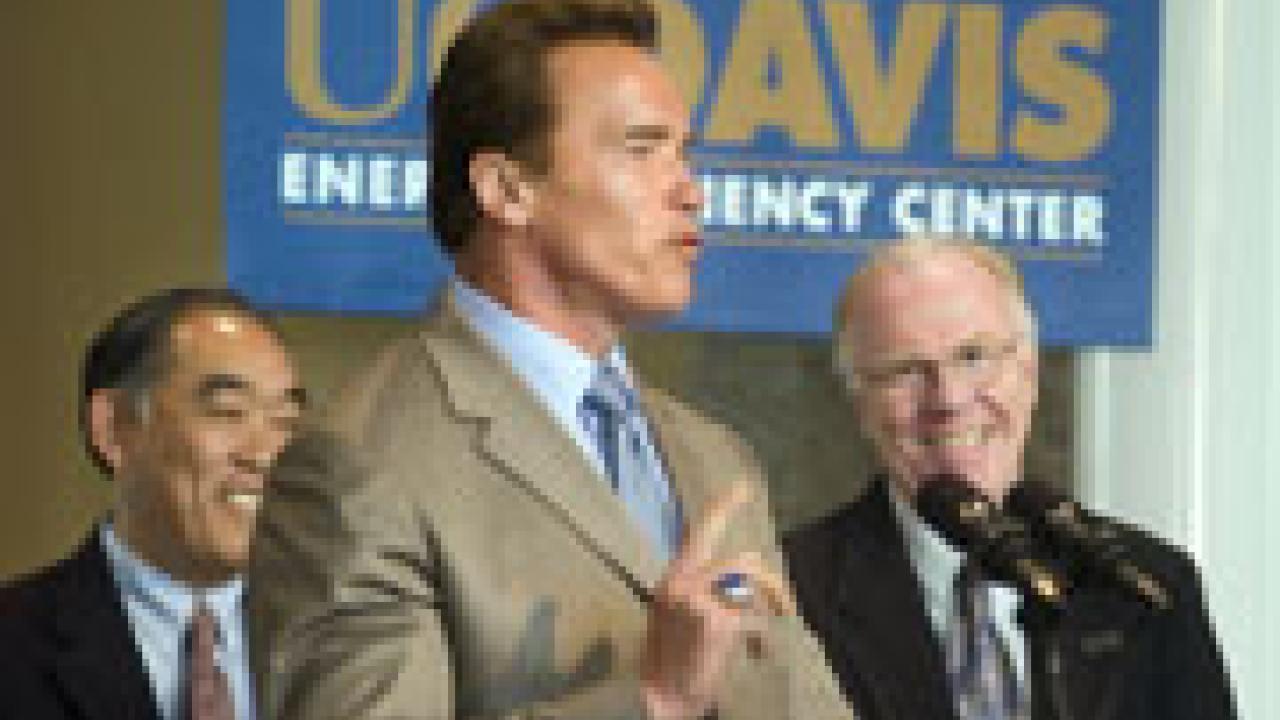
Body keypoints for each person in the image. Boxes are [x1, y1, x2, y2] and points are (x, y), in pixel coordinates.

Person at [245, 1, 852, 718]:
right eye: (641, 149)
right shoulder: (362, 465)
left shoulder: (716, 459)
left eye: (683, 153)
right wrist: (652, 699)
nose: (690, 191)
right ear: (506, 190)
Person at [784, 237, 1236, 720]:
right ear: (860, 404)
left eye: (973, 356)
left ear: (1029, 373)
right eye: (906, 370)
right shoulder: (790, 596)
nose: (949, 399)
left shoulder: (1145, 588)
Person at [0, 288, 305, 720]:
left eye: (285, 422)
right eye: (228, 411)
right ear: (114, 428)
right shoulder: (14, 644)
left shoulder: (341, 641)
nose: (265, 454)